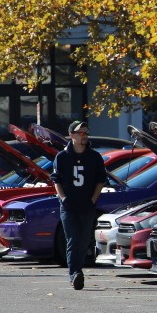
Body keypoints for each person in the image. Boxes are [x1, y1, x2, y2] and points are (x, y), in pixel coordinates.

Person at [51, 120, 106, 290]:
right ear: (71, 136)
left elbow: (101, 180)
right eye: (80, 133)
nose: (84, 135)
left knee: (83, 241)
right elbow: (56, 180)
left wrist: (93, 200)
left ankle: (78, 271)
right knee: (72, 240)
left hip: (87, 205)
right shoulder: (62, 157)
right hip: (68, 206)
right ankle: (75, 273)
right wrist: (64, 198)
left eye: (86, 132)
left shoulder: (94, 157)